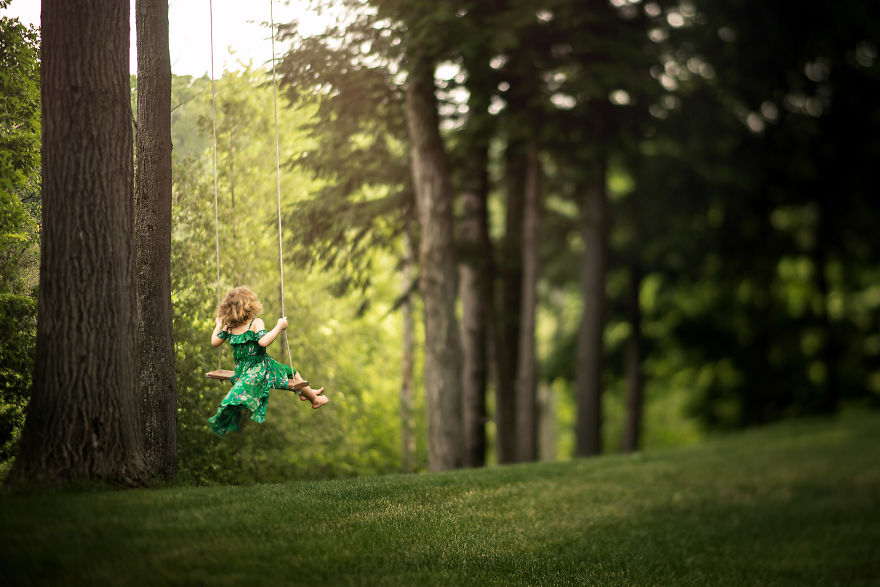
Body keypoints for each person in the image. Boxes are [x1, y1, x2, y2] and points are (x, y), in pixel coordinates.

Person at [208, 286, 328, 437]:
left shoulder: (229, 327)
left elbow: (214, 341)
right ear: (249, 306)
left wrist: (218, 325)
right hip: (261, 368)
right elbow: (263, 342)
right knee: (294, 374)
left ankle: (307, 393)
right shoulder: (255, 323)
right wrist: (279, 326)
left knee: (293, 375)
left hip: (242, 371)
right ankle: (314, 399)